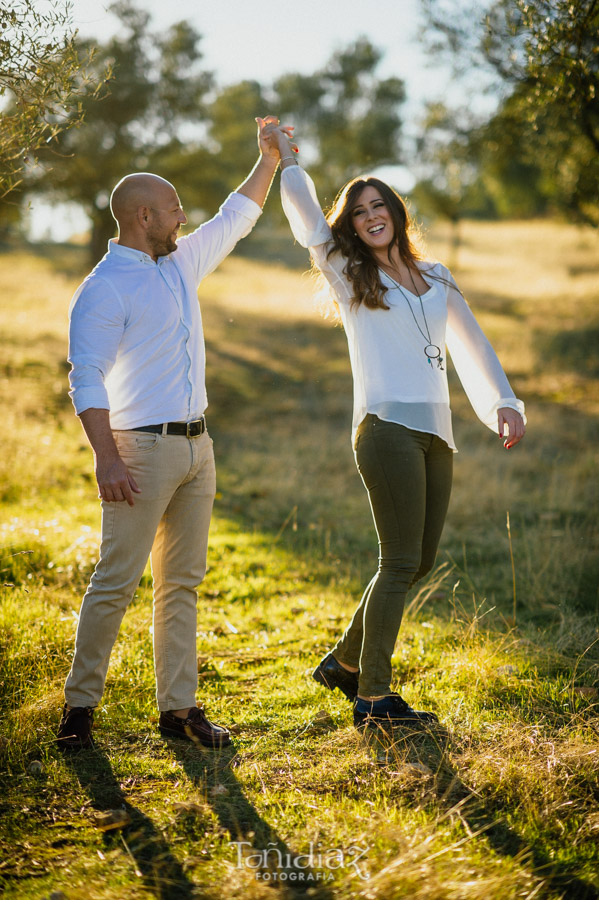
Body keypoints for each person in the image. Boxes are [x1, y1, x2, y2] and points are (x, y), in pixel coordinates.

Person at [266, 125, 526, 732]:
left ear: (396, 211)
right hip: (384, 428)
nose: (371, 216)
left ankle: (344, 662)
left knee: (420, 559)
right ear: (351, 226)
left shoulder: (435, 274)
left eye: (378, 204)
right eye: (359, 212)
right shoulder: (348, 273)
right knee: (399, 559)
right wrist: (286, 161)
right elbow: (307, 221)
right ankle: (374, 697)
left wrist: (503, 402)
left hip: (436, 432)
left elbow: (472, 344)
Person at [57, 115, 297, 752]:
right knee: (116, 581)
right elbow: (87, 377)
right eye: (171, 208)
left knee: (181, 583)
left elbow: (234, 216)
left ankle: (178, 710)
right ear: (141, 217)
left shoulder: (180, 261)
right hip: (140, 452)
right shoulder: (104, 288)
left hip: (198, 448)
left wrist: (269, 159)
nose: (182, 216)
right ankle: (79, 711)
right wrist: (106, 458)